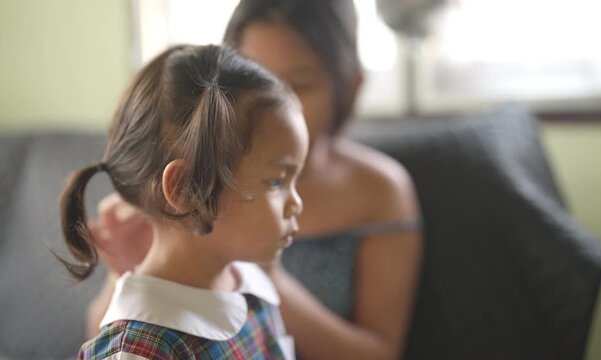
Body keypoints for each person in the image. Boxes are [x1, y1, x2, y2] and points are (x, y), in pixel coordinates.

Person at [88, 0, 424, 359]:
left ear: (349, 84)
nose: (271, 104)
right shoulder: (180, 190)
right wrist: (124, 272)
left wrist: (266, 278)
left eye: (298, 83)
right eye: (256, 77)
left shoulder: (377, 192)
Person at [59, 44, 308, 359]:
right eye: (277, 181)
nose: (296, 203)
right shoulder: (142, 349)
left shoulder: (249, 284)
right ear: (185, 189)